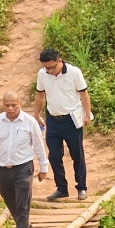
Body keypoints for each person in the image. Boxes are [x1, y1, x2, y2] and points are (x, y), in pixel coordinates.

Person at [0, 90, 50, 228]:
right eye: (7, 105)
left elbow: (38, 146)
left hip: (23, 167)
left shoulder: (29, 122)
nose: (10, 109)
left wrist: (44, 168)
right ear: (3, 105)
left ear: (19, 104)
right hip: (3, 169)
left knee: (23, 203)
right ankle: (25, 225)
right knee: (8, 199)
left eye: (13, 105)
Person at [34, 48, 93, 201]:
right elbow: (40, 94)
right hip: (53, 120)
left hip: (71, 120)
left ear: (59, 61)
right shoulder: (43, 74)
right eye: (46, 68)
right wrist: (36, 114)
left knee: (77, 154)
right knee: (54, 156)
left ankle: (81, 187)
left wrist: (87, 114)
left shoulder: (74, 72)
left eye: (52, 67)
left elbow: (84, 94)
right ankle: (61, 188)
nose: (49, 71)